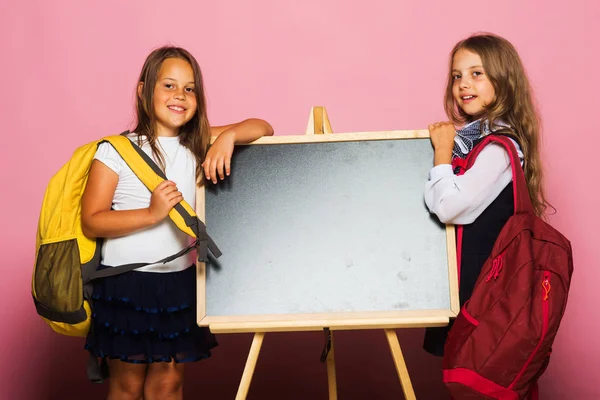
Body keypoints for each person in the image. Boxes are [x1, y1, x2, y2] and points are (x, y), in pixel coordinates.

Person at [81, 46, 273, 400]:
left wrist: (228, 137)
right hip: (125, 283)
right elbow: (92, 221)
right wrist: (152, 214)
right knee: (126, 386)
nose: (179, 96)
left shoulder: (198, 142)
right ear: (143, 90)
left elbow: (263, 126)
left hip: (178, 285)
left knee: (168, 386)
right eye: (168, 85)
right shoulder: (114, 151)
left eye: (189, 89)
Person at [423, 33, 549, 357]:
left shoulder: (498, 148)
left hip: (484, 291)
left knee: (481, 377)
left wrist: (441, 153)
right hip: (468, 286)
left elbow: (449, 206)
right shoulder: (474, 141)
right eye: (457, 76)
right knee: (469, 376)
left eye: (476, 74)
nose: (464, 84)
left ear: (503, 80)